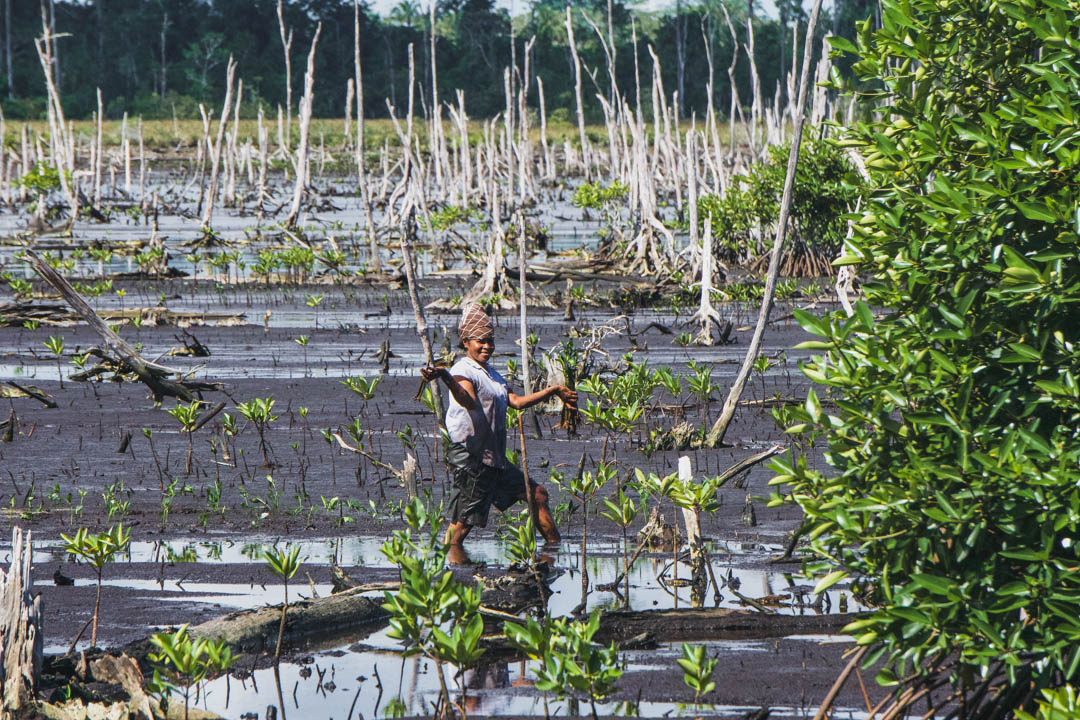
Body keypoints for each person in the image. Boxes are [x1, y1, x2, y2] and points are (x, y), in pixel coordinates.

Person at [421, 302, 575, 559]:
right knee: (461, 526)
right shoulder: (462, 370)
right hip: (472, 458)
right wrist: (447, 377)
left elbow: (515, 402)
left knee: (537, 495)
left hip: (494, 459)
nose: (487, 346)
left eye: (490, 341)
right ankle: (448, 577)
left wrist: (553, 391)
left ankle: (552, 555)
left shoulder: (491, 373)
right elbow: (467, 401)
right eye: (481, 341)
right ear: (466, 342)